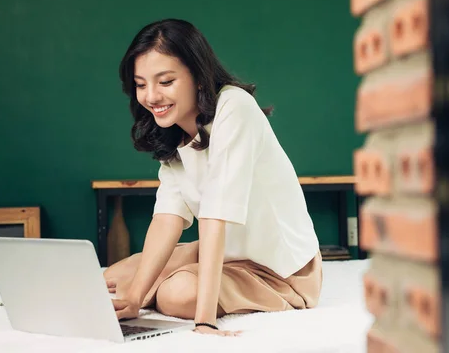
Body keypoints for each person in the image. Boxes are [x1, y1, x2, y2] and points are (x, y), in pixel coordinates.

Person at [103, 19, 322, 337]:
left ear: (198, 77)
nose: (151, 96)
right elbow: (168, 219)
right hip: (227, 254)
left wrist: (205, 321)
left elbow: (216, 214)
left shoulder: (235, 108)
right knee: (114, 278)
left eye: (165, 82)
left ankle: (176, 283)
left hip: (280, 270)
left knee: (176, 295)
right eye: (140, 84)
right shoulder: (174, 133)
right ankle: (159, 284)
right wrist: (135, 298)